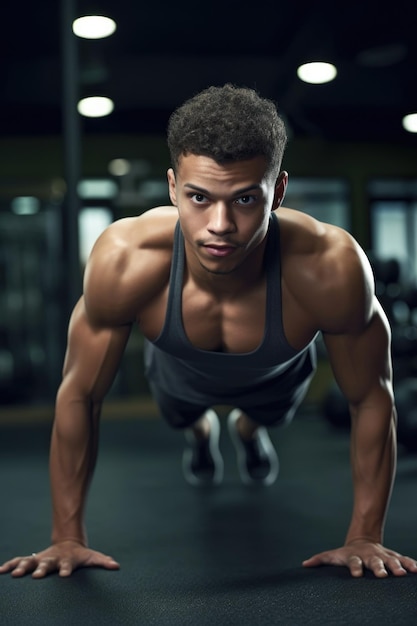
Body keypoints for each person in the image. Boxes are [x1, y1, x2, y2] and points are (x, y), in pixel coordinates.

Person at [1, 83, 416, 581]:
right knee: (187, 418)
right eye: (199, 197)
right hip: (178, 377)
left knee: (259, 418)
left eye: (244, 199)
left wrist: (365, 536)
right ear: (173, 187)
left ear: (277, 192)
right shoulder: (126, 258)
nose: (220, 224)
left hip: (278, 380)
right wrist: (66, 536)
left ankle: (245, 427)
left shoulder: (330, 266)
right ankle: (202, 432)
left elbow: (372, 398)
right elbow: (80, 395)